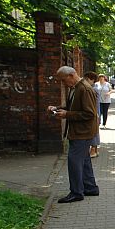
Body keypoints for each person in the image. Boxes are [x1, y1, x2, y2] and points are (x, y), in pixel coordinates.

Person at [47, 66, 99, 203]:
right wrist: (58, 108)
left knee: (74, 160)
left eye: (63, 80)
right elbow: (73, 107)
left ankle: (76, 192)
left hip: (83, 132)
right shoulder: (76, 88)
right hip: (81, 131)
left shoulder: (84, 89)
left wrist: (67, 114)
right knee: (84, 159)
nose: (63, 84)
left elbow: (89, 113)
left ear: (71, 75)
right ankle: (90, 187)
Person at [83, 72, 101, 158]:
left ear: (92, 80)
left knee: (93, 131)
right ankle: (95, 149)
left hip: (94, 113)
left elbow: (95, 104)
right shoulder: (94, 89)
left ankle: (93, 149)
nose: (85, 81)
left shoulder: (93, 90)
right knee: (95, 131)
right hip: (95, 112)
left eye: (87, 79)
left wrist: (96, 114)